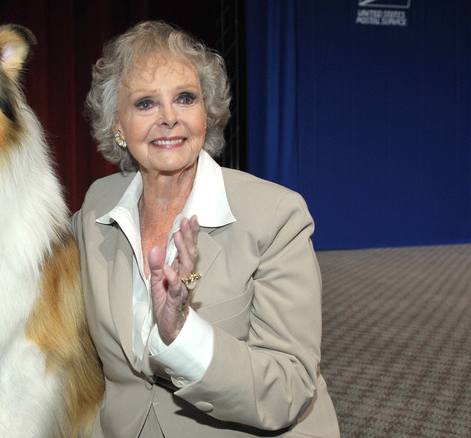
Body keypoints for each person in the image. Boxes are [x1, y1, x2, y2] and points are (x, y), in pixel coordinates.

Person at [72, 21, 340, 437]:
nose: (169, 118)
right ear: (117, 127)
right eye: (145, 103)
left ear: (206, 112)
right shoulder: (97, 205)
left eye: (185, 98)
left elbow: (289, 387)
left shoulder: (276, 215)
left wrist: (182, 335)